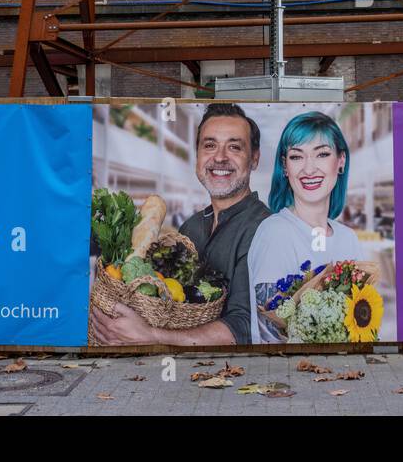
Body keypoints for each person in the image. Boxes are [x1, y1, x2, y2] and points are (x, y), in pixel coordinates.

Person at [89, 103, 269, 346]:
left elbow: (246, 328)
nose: (220, 157)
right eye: (209, 145)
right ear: (198, 156)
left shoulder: (265, 229)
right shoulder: (191, 228)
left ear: (254, 159)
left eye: (234, 147)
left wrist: (150, 336)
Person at [248, 111, 365, 343]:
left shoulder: (348, 238)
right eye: (296, 156)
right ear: (285, 166)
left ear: (341, 161)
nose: (309, 169)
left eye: (322, 154)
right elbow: (269, 335)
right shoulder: (275, 233)